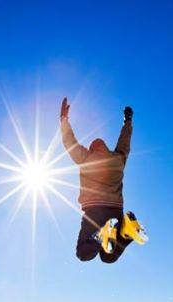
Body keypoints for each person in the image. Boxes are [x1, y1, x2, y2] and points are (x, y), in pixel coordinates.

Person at [60, 97, 147, 263]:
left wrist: (64, 120)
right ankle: (126, 232)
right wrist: (127, 121)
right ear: (105, 147)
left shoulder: (86, 157)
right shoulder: (118, 158)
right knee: (108, 256)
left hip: (95, 211)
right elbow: (125, 142)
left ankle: (102, 233)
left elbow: (69, 142)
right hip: (116, 210)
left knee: (83, 252)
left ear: (91, 148)